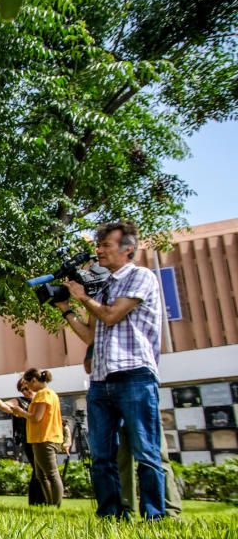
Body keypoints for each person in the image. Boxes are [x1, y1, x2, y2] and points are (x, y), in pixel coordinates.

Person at [60, 221, 166, 520]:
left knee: (146, 451)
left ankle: (154, 516)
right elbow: (91, 336)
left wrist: (83, 297)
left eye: (106, 245)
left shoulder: (140, 277)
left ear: (128, 249)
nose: (99, 250)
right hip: (100, 379)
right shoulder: (103, 287)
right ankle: (111, 516)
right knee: (102, 456)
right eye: (99, 245)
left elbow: (111, 316)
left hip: (134, 374)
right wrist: (67, 309)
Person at [83, 344, 182, 518]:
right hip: (109, 398)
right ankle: (126, 506)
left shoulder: (132, 334)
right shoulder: (98, 340)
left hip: (136, 393)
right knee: (120, 459)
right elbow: (88, 365)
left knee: (154, 454)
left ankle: (169, 509)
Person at [0, 369, 65, 506]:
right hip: (43, 439)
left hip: (44, 439)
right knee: (41, 475)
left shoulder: (43, 395)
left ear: (34, 380)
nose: (27, 390)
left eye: (27, 385)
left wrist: (21, 412)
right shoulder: (50, 394)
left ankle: (56, 505)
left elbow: (36, 418)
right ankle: (50, 503)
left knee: (51, 474)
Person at [12, 378, 46, 506]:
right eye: (22, 390)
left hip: (44, 439)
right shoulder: (22, 402)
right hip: (30, 440)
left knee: (40, 470)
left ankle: (39, 501)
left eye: (26, 388)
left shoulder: (42, 399)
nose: (25, 392)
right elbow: (7, 405)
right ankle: (39, 501)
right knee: (38, 469)